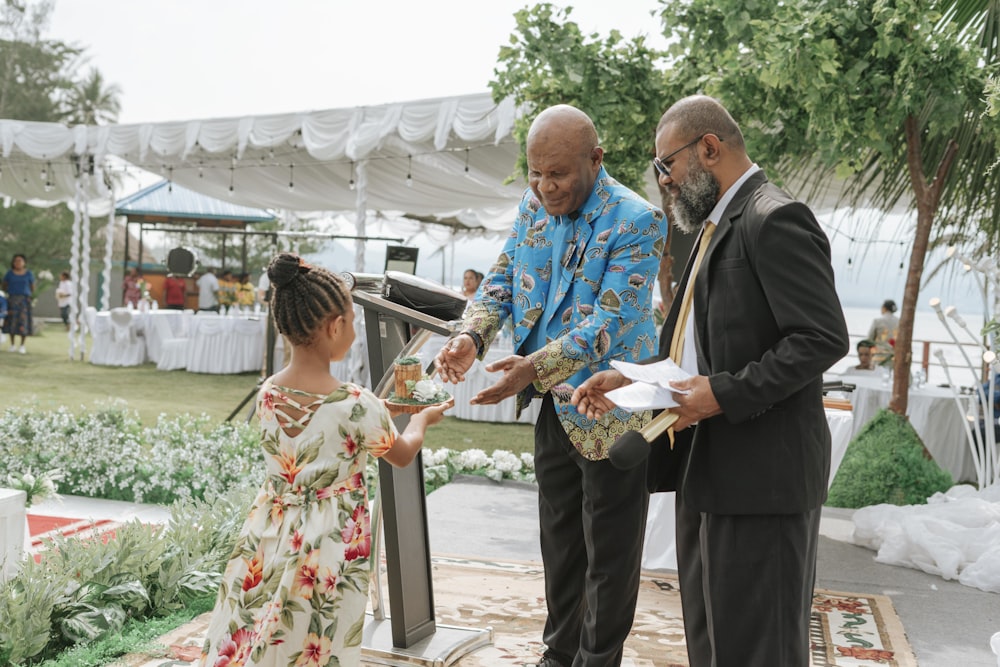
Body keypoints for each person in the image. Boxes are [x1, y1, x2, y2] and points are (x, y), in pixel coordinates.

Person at [571, 95, 849, 667]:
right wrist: (622, 379)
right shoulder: (712, 226)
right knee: (715, 646)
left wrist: (721, 394)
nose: (664, 182)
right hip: (710, 470)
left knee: (758, 650)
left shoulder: (775, 219)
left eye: (665, 165)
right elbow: (690, 348)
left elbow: (821, 339)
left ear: (709, 148)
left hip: (762, 483)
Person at [434, 104, 664, 667]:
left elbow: (608, 322)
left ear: (596, 158)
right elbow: (503, 281)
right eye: (535, 173)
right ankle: (558, 654)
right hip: (553, 409)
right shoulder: (532, 207)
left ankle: (596, 661)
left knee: (608, 554)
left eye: (558, 173)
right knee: (560, 545)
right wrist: (472, 337)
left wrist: (532, 368)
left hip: (612, 409)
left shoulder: (637, 220)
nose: (544, 186)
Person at [197, 253, 450, 667]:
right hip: (330, 542)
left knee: (263, 621)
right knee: (321, 632)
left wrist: (381, 410)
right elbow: (401, 455)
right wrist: (421, 417)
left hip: (270, 533)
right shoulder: (355, 403)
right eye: (350, 321)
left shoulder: (267, 394)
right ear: (336, 327)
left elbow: (319, 422)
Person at [2, 254, 35, 354]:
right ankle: (12, 345)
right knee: (11, 322)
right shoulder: (9, 273)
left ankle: (22, 345)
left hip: (24, 300)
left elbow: (32, 287)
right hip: (12, 299)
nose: (18, 263)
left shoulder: (29, 274)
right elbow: (4, 285)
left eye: (20, 261)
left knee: (23, 322)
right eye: (16, 261)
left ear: (24, 262)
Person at [867, 299, 899, 366]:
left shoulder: (877, 321)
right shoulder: (899, 321)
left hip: (879, 357)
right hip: (895, 357)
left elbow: (869, 339)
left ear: (884, 308)